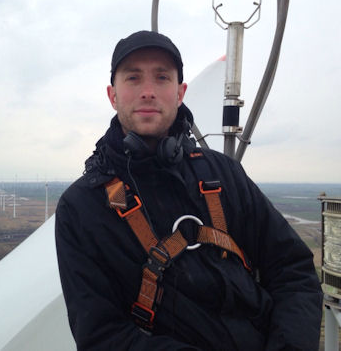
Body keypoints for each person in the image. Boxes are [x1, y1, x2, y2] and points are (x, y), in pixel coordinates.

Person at [55, 30, 322, 350]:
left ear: (180, 93)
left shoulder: (223, 174)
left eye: (162, 77)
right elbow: (102, 336)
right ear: (113, 96)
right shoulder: (83, 206)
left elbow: (293, 270)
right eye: (133, 78)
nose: (148, 91)